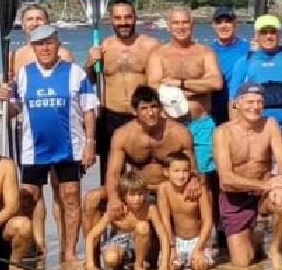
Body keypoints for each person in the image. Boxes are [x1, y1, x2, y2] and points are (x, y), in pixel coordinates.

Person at [0, 25, 97, 263]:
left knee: (71, 196)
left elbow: (88, 110)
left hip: (69, 146)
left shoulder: (75, 73)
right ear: (33, 47)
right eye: (40, 44)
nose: (45, 48)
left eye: (49, 43)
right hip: (34, 148)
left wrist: (90, 142)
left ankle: (70, 252)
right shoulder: (23, 74)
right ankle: (27, 248)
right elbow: (13, 110)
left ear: (57, 43)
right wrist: (3, 98)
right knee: (27, 198)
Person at [81, 84, 199, 238]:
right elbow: (114, 174)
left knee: (203, 192)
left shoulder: (179, 133)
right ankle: (93, 257)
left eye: (154, 107)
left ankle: (201, 241)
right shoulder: (123, 135)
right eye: (144, 108)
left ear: (161, 108)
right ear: (134, 111)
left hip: (169, 190)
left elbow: (194, 170)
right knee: (92, 198)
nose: (150, 113)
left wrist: (194, 181)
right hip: (138, 192)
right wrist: (114, 197)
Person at [10, 3, 73, 253]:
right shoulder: (13, 56)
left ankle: (65, 243)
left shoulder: (64, 54)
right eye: (30, 19)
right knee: (32, 192)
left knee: (62, 189)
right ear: (23, 25)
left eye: (39, 18)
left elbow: (72, 93)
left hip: (60, 133)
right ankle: (39, 244)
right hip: (26, 133)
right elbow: (10, 93)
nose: (35, 23)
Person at [212, 82, 282, 268]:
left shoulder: (270, 124)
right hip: (235, 197)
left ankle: (275, 247)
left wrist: (280, 180)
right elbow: (226, 180)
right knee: (242, 264)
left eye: (259, 102)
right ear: (237, 104)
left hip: (262, 195)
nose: (255, 107)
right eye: (250, 102)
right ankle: (256, 238)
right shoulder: (222, 133)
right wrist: (267, 185)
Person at [84, 0, 160, 180]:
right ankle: (110, 205)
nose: (123, 22)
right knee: (110, 171)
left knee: (144, 167)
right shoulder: (102, 46)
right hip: (110, 114)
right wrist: (89, 63)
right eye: (118, 18)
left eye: (128, 17)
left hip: (142, 115)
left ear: (135, 18)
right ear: (111, 20)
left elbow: (158, 83)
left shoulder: (151, 45)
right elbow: (88, 82)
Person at [146, 5, 223, 181]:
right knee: (172, 176)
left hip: (201, 124)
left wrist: (179, 84)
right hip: (170, 125)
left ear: (192, 24)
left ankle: (206, 208)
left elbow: (216, 83)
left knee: (203, 176)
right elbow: (154, 88)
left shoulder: (204, 52)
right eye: (176, 23)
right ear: (168, 26)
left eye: (185, 22)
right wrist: (196, 88)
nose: (181, 27)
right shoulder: (159, 54)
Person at [227, 14, 282, 168]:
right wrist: (236, 132)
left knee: (281, 180)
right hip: (255, 131)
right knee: (257, 177)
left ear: (279, 34)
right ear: (256, 35)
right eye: (264, 32)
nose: (268, 36)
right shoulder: (244, 62)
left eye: (273, 32)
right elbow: (233, 100)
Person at [83, 171, 163, 270]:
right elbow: (91, 237)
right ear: (123, 196)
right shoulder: (116, 211)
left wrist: (164, 265)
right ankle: (118, 267)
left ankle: (138, 266)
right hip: (120, 241)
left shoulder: (149, 209)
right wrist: (90, 264)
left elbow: (163, 235)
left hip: (140, 243)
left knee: (142, 226)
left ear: (145, 193)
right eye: (132, 195)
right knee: (111, 258)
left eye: (140, 194)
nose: (137, 199)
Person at [156, 152, 216, 270]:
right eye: (176, 171)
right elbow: (165, 220)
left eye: (185, 171)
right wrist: (171, 247)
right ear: (166, 172)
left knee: (199, 266)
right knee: (170, 267)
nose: (181, 175)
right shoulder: (164, 188)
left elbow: (208, 221)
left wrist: (199, 248)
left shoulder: (200, 190)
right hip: (176, 240)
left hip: (199, 239)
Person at [209, 4, 250, 125]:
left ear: (235, 23)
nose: (223, 26)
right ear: (213, 25)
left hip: (241, 107)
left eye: (228, 21)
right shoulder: (207, 51)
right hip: (215, 108)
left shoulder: (249, 49)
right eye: (219, 22)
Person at [0, 152, 31, 270]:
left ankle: (14, 267)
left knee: (23, 225)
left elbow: (12, 207)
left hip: (0, 229)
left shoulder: (6, 166)